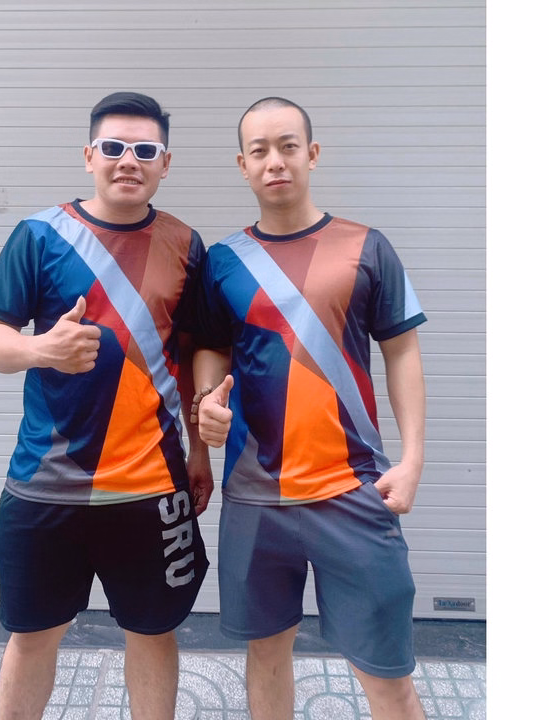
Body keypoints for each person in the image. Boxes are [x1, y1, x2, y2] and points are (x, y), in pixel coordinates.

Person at [0, 91, 212, 720]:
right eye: (113, 147)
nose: (128, 160)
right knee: (33, 636)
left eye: (145, 150)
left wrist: (200, 453)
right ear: (89, 156)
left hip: (151, 485)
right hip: (45, 484)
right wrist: (41, 349)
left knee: (153, 633)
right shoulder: (39, 235)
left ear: (165, 163)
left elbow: (193, 358)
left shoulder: (186, 244)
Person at [192, 96, 428, 720]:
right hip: (254, 495)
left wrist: (412, 460)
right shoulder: (222, 261)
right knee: (266, 656)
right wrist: (207, 399)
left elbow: (403, 351)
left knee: (387, 674)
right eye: (260, 151)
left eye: (288, 146)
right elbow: (211, 346)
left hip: (351, 489)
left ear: (312, 154)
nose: (275, 161)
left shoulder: (367, 247)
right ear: (242, 165)